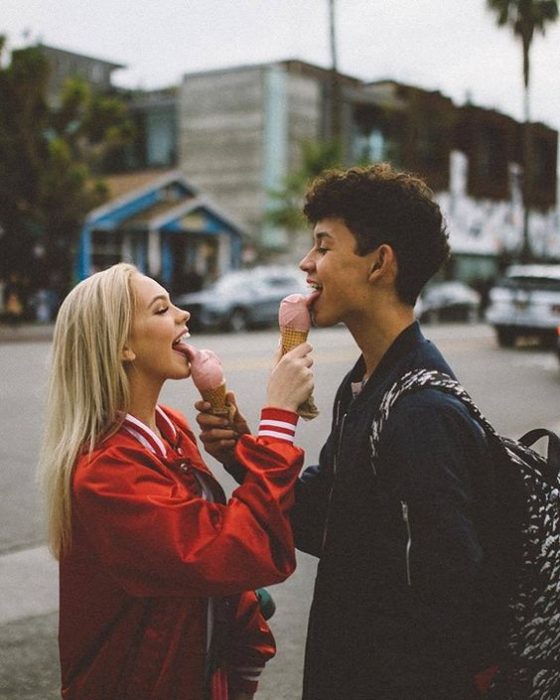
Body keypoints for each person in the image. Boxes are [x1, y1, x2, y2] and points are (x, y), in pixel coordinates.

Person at [196, 164, 504, 699]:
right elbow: (329, 521)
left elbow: (451, 600)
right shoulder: (365, 384)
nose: (305, 264)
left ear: (379, 263)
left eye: (323, 246)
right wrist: (244, 452)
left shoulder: (421, 412)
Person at [37, 262, 314, 700]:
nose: (183, 315)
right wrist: (278, 422)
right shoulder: (105, 471)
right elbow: (233, 551)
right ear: (123, 346)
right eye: (162, 309)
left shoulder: (170, 427)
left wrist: (239, 447)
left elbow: (207, 544)